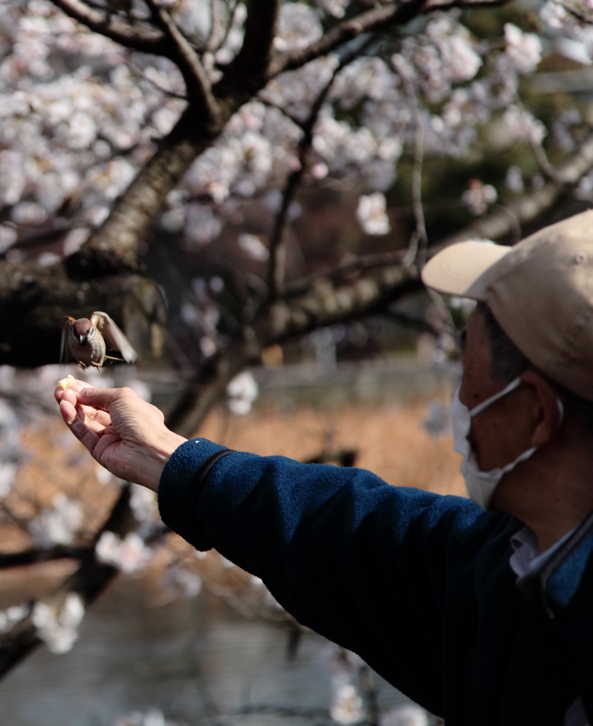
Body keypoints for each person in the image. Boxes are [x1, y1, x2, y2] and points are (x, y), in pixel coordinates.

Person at [55, 211, 593, 725]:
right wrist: (172, 459)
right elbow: (346, 535)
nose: (458, 400)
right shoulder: (514, 567)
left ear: (537, 413)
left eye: (471, 380)